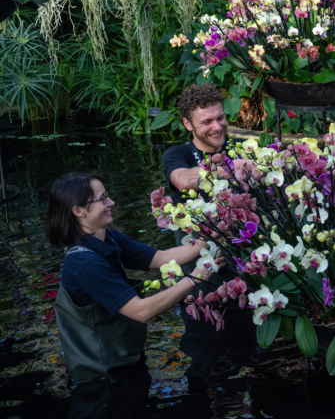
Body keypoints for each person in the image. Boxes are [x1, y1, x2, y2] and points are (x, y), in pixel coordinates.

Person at [46, 172, 222, 383]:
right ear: (78, 211)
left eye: (107, 196)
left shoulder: (109, 238)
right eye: (102, 199)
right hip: (102, 377)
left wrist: (212, 237)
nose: (111, 202)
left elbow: (163, 258)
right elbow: (140, 311)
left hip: (125, 359)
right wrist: (194, 278)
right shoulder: (84, 264)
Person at [162, 83, 232, 207]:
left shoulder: (243, 148)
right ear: (188, 124)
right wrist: (234, 169)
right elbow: (182, 181)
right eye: (207, 122)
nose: (217, 127)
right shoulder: (178, 154)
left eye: (220, 118)